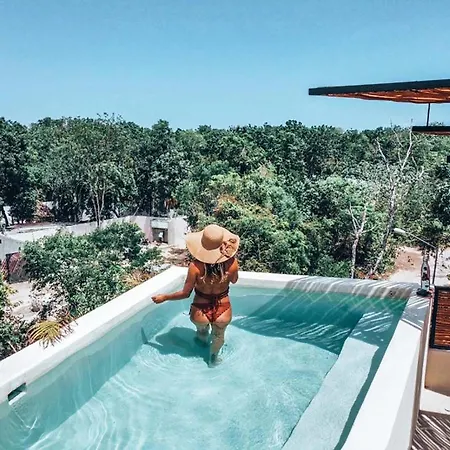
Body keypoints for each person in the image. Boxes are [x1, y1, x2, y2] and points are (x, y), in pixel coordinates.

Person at [152, 224, 239, 367]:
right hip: (223, 309)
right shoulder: (232, 263)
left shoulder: (195, 267)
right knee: (218, 336)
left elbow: (185, 294)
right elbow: (234, 280)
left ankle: (201, 345)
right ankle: (213, 359)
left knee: (202, 332)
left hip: (200, 310)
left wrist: (165, 297)